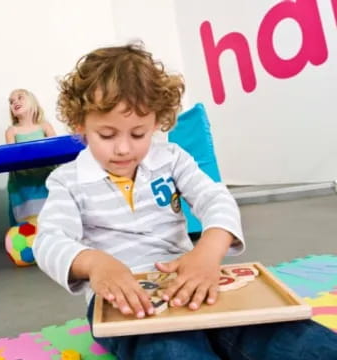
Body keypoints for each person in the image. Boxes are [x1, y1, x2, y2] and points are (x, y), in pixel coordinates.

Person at [32, 43, 337, 359]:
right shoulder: (67, 180)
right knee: (171, 350)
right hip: (124, 300)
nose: (123, 148)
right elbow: (50, 239)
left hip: (190, 279)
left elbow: (215, 197)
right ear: (81, 124)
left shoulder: (172, 158)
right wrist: (95, 264)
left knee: (285, 334)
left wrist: (208, 250)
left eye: (138, 134)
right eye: (107, 135)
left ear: (156, 123)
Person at [5, 89, 56, 226]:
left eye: (20, 97)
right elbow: (11, 156)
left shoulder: (45, 127)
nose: (15, 102)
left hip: (45, 179)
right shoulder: (12, 131)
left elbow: (57, 151)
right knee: (27, 223)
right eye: (11, 101)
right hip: (22, 183)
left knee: (50, 217)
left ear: (33, 102)